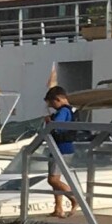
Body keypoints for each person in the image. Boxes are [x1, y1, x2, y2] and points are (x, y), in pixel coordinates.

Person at [42, 84, 78, 214]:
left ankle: (74, 198)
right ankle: (58, 208)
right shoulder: (71, 110)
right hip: (65, 148)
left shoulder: (63, 111)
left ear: (58, 99)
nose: (51, 107)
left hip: (61, 149)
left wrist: (49, 121)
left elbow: (56, 126)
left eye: (52, 103)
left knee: (52, 180)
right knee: (56, 179)